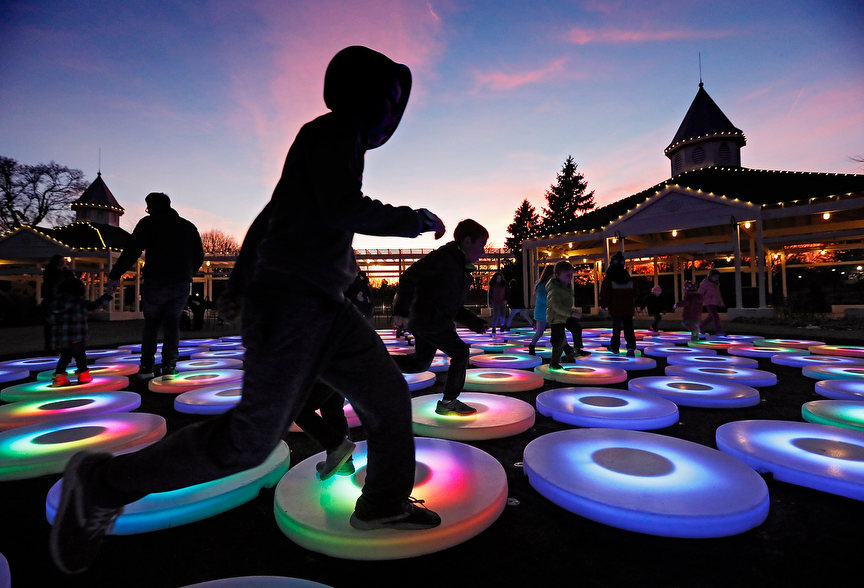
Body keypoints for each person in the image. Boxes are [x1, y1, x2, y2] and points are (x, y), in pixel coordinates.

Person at [50, 45, 447, 575]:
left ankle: (382, 503)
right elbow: (338, 208)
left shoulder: (323, 139)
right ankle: (101, 483)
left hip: (324, 306)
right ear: (365, 97)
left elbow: (272, 215)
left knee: (387, 395)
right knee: (250, 441)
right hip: (292, 301)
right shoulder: (336, 133)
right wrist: (411, 218)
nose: (392, 112)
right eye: (389, 98)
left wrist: (238, 280)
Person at [391, 219, 489, 416]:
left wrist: (474, 322)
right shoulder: (443, 259)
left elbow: (453, 306)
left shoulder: (459, 267)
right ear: (467, 241)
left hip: (431, 320)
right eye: (482, 245)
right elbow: (409, 276)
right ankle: (449, 402)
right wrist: (401, 311)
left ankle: (374, 362)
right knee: (460, 352)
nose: (483, 251)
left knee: (419, 364)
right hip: (430, 321)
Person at [106, 192, 204, 379]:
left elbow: (132, 250)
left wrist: (115, 275)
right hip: (180, 282)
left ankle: (147, 366)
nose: (147, 210)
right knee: (172, 324)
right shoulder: (187, 227)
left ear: (153, 206)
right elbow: (199, 254)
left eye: (148, 207)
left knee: (151, 325)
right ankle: (169, 365)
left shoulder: (148, 224)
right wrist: (189, 272)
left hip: (156, 281)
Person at [48, 277, 112, 386]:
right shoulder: (79, 302)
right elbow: (94, 306)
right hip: (77, 336)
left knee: (64, 357)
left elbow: (49, 317)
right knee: (80, 357)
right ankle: (83, 376)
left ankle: (59, 379)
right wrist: (107, 296)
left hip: (61, 338)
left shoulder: (56, 303)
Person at [546, 261, 589, 369]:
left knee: (577, 328)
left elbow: (565, 303)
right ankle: (554, 362)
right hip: (556, 318)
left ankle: (577, 350)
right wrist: (571, 312)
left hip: (565, 315)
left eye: (571, 274)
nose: (570, 277)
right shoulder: (554, 290)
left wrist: (571, 311)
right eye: (567, 275)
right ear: (557, 275)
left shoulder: (566, 286)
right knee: (558, 341)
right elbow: (556, 306)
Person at [599, 251, 637, 356]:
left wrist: (603, 305)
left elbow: (605, 294)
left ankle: (615, 347)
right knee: (629, 328)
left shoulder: (609, 278)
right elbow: (635, 292)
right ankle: (630, 348)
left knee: (616, 328)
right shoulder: (627, 277)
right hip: (628, 308)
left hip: (616, 309)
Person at [40, 255, 74, 351]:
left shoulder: (65, 273)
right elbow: (49, 286)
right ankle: (50, 344)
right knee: (50, 324)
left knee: (60, 324)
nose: (63, 263)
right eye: (62, 261)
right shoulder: (51, 273)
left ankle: (59, 344)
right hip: (52, 300)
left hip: (61, 300)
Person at [528, 264, 554, 355]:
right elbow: (542, 298)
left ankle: (563, 348)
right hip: (542, 311)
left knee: (557, 329)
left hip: (549, 311)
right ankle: (532, 345)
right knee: (540, 332)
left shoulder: (550, 284)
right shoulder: (542, 285)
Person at [698, 269, 725, 337]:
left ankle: (699, 327)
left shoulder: (715, 284)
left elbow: (718, 294)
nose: (716, 278)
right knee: (715, 316)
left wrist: (721, 302)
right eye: (715, 277)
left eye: (717, 277)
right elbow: (700, 293)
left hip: (714, 302)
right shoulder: (704, 283)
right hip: (708, 302)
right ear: (711, 276)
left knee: (711, 317)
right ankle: (719, 331)